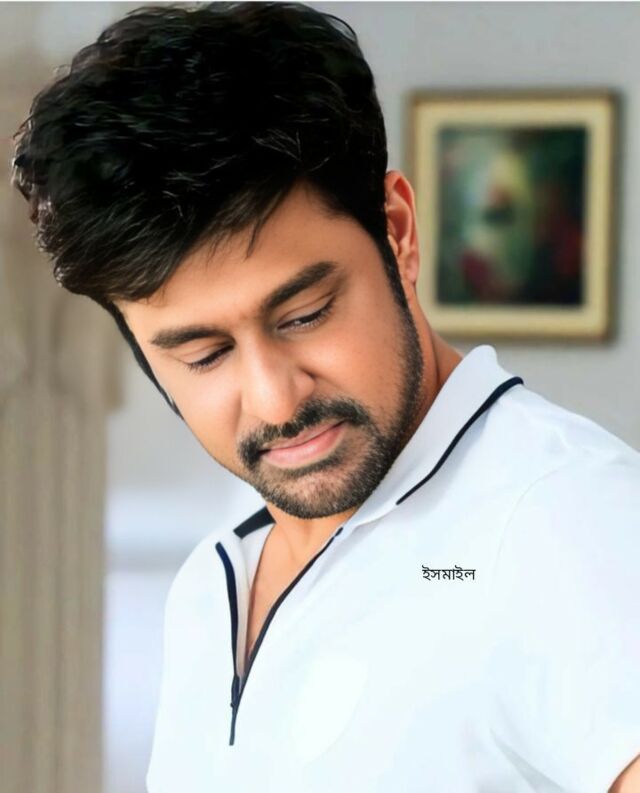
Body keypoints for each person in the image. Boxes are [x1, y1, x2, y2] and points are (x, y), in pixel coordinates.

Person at [11, 3, 640, 792]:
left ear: (398, 233)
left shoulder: (568, 518)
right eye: (205, 354)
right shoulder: (211, 584)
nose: (276, 400)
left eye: (305, 314)